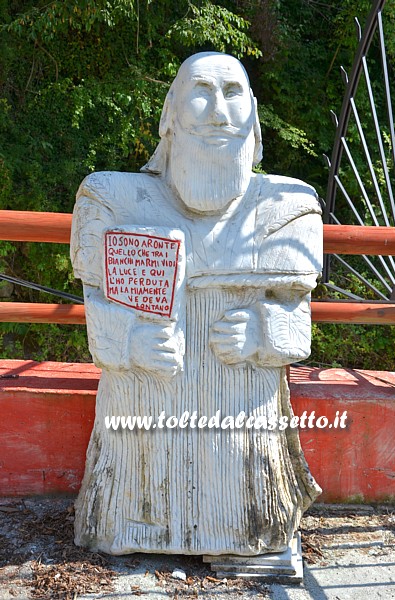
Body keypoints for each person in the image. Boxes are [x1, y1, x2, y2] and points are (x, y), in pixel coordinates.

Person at [71, 52, 323, 556]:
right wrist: (131, 341)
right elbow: (96, 304)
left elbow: (298, 326)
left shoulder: (286, 210)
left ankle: (245, 535)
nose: (217, 110)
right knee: (135, 507)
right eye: (201, 91)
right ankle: (129, 533)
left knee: (245, 516)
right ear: (170, 114)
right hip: (141, 423)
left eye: (232, 93)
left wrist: (261, 332)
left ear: (252, 113)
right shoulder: (114, 201)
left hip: (242, 429)